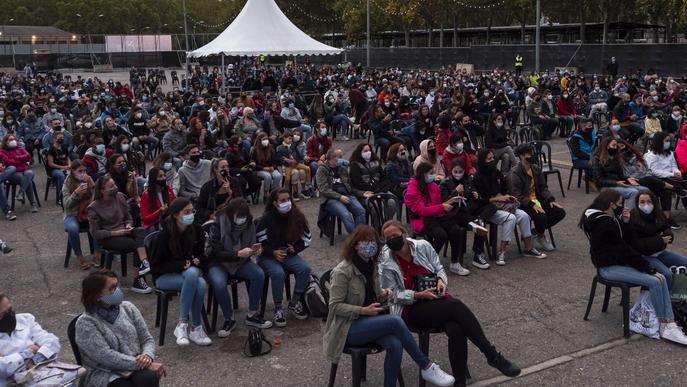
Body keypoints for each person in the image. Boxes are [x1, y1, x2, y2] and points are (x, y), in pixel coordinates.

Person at [379, 220, 521, 386]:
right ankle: (492, 355)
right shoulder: (386, 260)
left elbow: (439, 267)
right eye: (387, 238)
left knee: (456, 328)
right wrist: (417, 295)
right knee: (455, 305)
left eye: (395, 236)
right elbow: (391, 295)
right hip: (410, 309)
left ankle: (459, 382)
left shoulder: (422, 246)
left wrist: (441, 280)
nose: (391, 240)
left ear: (404, 233)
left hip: (436, 300)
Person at [323, 225, 455, 387]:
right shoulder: (342, 271)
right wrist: (363, 310)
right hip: (347, 328)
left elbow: (373, 296)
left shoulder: (372, 266)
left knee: (395, 344)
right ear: (355, 244)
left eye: (372, 241)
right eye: (365, 242)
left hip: (369, 322)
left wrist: (383, 294)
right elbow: (335, 307)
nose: (369, 245)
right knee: (394, 321)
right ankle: (426, 366)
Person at [580, 190, 687, 345]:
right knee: (656, 280)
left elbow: (626, 242)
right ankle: (667, 325)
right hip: (609, 268)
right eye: (619, 203)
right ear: (611, 205)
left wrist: (625, 222)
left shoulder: (609, 219)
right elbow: (625, 250)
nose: (622, 206)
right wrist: (647, 268)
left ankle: (668, 322)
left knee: (661, 277)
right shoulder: (603, 224)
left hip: (617, 263)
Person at [75, 270, 165, 387]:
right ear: (97, 295)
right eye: (112, 288)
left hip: (135, 366)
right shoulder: (86, 323)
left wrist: (147, 356)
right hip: (104, 373)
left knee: (148, 379)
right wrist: (144, 364)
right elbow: (106, 357)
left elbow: (146, 339)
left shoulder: (128, 308)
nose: (117, 290)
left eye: (117, 285)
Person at [149, 198, 212, 347]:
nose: (191, 214)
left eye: (192, 211)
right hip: (164, 277)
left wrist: (198, 260)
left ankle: (189, 327)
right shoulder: (163, 236)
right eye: (186, 212)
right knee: (197, 280)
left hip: (188, 273)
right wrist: (180, 265)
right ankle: (189, 325)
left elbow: (202, 256)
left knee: (199, 282)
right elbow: (155, 267)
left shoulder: (197, 230)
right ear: (176, 215)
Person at [205, 198, 273, 335]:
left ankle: (253, 314)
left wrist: (257, 250)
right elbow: (215, 252)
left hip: (241, 262)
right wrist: (237, 253)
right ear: (230, 214)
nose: (242, 219)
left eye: (244, 216)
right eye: (239, 216)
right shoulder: (217, 224)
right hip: (218, 263)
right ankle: (228, 318)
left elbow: (254, 241)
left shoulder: (249, 223)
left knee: (258, 274)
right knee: (218, 283)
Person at [406, 161, 486, 275]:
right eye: (430, 173)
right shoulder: (412, 189)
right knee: (441, 235)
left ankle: (455, 263)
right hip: (422, 220)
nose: (433, 176)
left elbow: (439, 203)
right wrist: (442, 207)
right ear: (422, 174)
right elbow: (421, 210)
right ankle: (429, 263)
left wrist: (450, 201)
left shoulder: (433, 186)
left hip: (436, 216)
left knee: (455, 230)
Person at [473, 149, 546, 264]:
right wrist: (497, 198)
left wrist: (507, 197)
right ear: (483, 160)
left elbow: (504, 188)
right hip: (488, 209)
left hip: (502, 205)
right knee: (510, 218)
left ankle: (529, 248)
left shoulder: (496, 172)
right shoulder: (478, 176)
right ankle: (501, 252)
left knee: (524, 216)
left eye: (493, 158)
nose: (493, 160)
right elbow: (479, 200)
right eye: (489, 159)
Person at [256, 188, 312, 326]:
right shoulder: (266, 218)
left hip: (287, 254)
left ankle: (294, 303)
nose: (287, 202)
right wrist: (273, 252)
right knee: (278, 273)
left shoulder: (297, 216)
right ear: (275, 203)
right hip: (267, 256)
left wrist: (295, 248)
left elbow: (307, 238)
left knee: (305, 268)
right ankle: (278, 308)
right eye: (283, 200)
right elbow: (259, 241)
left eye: (288, 199)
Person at [88, 174, 152, 293]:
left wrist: (128, 224)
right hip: (109, 236)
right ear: (102, 191)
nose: (115, 188)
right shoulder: (93, 208)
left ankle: (144, 263)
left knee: (142, 233)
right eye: (111, 186)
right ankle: (137, 279)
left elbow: (128, 216)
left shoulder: (120, 197)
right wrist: (116, 233)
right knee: (135, 244)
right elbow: (96, 233)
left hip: (124, 230)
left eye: (115, 185)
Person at [0, 293, 72, 386]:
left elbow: (52, 342)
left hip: (43, 376)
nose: (9, 315)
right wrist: (31, 351)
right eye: (2, 314)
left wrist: (33, 360)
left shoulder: (25, 319)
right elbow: (2, 368)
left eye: (10, 310)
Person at [440, 158, 498, 270]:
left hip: (469, 210)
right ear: (451, 171)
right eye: (455, 172)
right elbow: (445, 203)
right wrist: (455, 192)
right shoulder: (446, 182)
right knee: (475, 223)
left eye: (460, 172)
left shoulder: (468, 180)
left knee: (490, 208)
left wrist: (476, 195)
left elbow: (473, 197)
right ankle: (476, 224)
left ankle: (478, 253)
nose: (458, 174)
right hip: (455, 213)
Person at [509, 144, 566, 251]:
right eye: (529, 154)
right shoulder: (515, 172)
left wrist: (550, 199)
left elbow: (543, 187)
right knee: (541, 216)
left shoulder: (535, 169)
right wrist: (531, 204)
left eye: (532, 153)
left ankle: (536, 232)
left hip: (538, 200)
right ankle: (541, 236)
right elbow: (517, 196)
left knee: (560, 212)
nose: (532, 156)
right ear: (521, 156)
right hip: (524, 203)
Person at [629, 190, 687, 272]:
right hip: (643, 256)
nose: (646, 205)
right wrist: (660, 240)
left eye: (649, 202)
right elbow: (636, 244)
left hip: (658, 252)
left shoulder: (658, 213)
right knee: (666, 274)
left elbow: (665, 227)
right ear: (637, 203)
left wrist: (668, 234)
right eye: (642, 202)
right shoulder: (632, 217)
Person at [315, 148, 367, 234]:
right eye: (340, 157)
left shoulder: (342, 168)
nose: (343, 159)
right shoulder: (322, 169)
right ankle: (355, 238)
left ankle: (359, 236)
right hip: (330, 199)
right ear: (332, 157)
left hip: (346, 195)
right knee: (346, 215)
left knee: (360, 211)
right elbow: (323, 189)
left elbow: (350, 186)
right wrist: (339, 197)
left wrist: (362, 193)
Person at [591, 138, 648, 209]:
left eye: (616, 146)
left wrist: (628, 179)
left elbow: (620, 175)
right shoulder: (597, 159)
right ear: (607, 146)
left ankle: (643, 214)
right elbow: (599, 180)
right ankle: (632, 216)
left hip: (618, 183)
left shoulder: (616, 157)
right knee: (633, 192)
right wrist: (616, 183)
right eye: (613, 145)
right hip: (605, 186)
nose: (615, 148)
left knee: (645, 190)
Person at [645, 131, 687, 227]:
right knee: (671, 189)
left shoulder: (670, 153)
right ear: (659, 142)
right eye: (666, 141)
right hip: (657, 179)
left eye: (669, 141)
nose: (668, 143)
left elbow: (673, 165)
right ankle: (667, 218)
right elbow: (655, 171)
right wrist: (671, 174)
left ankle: (681, 192)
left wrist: (676, 171)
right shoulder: (651, 155)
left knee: (683, 184)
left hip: (671, 176)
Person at [63, 160, 98, 269]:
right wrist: (75, 193)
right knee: (73, 229)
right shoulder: (67, 183)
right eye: (79, 171)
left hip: (88, 212)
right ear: (73, 171)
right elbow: (66, 205)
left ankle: (97, 254)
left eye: (84, 170)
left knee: (99, 222)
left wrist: (91, 185)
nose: (82, 173)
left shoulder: (88, 179)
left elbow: (97, 196)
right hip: (72, 214)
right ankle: (79, 256)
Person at [349, 142, 397, 222]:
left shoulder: (376, 163)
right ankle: (377, 227)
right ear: (360, 153)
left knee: (392, 202)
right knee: (376, 206)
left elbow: (384, 178)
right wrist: (373, 190)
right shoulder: (355, 165)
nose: (368, 153)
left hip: (380, 190)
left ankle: (386, 222)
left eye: (369, 150)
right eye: (365, 151)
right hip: (365, 192)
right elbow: (358, 183)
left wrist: (381, 189)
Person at [0, 133, 38, 212]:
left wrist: (16, 158)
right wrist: (22, 160)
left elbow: (28, 156)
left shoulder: (20, 148)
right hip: (13, 173)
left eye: (14, 139)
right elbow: (9, 162)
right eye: (11, 140)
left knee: (29, 174)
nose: (13, 141)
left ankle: (21, 193)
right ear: (6, 142)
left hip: (25, 170)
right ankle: (33, 204)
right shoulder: (2, 151)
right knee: (28, 181)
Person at [196, 158, 241, 224]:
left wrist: (230, 192)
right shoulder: (207, 186)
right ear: (216, 169)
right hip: (214, 216)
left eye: (227, 167)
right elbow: (199, 207)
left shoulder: (234, 182)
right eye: (223, 167)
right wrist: (210, 215)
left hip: (231, 215)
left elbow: (241, 202)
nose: (226, 169)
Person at [276, 130, 312, 200]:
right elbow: (278, 159)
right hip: (286, 166)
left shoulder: (293, 146)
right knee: (289, 177)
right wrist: (286, 160)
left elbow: (298, 156)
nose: (290, 140)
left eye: (291, 139)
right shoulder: (280, 147)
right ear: (284, 138)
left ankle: (307, 186)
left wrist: (296, 159)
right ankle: (288, 192)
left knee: (306, 169)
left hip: (295, 164)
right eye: (289, 138)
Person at [251, 132, 282, 203]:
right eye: (264, 139)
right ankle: (265, 194)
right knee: (268, 176)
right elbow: (254, 164)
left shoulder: (271, 148)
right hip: (259, 169)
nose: (266, 141)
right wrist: (263, 168)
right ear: (259, 140)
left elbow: (275, 161)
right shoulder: (255, 150)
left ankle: (273, 193)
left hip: (270, 168)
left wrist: (272, 167)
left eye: (267, 139)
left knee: (278, 176)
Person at [45, 130, 70, 201]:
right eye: (59, 138)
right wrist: (63, 167)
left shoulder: (64, 147)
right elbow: (51, 164)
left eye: (62, 138)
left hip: (64, 167)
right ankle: (61, 196)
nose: (61, 139)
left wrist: (69, 165)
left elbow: (68, 158)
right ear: (54, 139)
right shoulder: (51, 149)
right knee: (61, 175)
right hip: (53, 170)